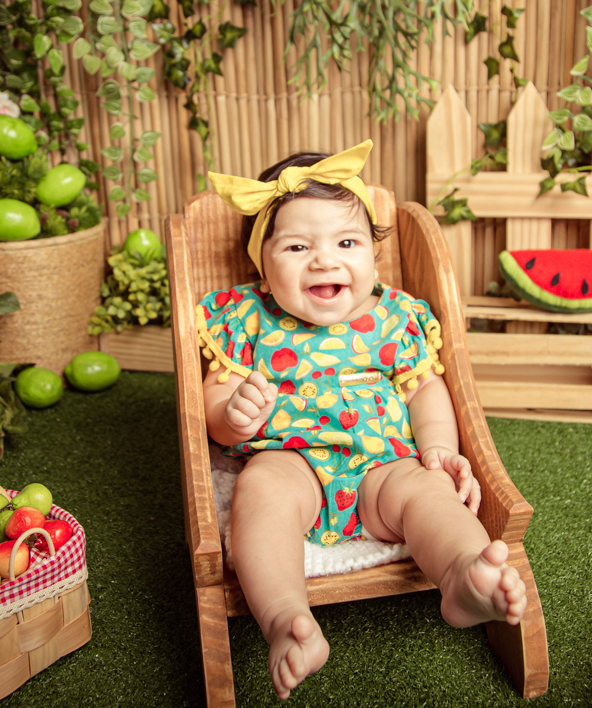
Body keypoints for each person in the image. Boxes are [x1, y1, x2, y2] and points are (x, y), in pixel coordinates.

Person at [197, 140, 528, 699]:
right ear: (263, 266)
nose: (325, 260)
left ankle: (462, 575)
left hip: (384, 465)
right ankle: (285, 617)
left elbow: (425, 389)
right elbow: (214, 402)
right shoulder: (247, 317)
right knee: (259, 493)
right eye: (298, 246)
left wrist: (438, 449)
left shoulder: (396, 316)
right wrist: (233, 416)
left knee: (429, 493)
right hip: (291, 462)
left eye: (346, 242)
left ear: (373, 257)